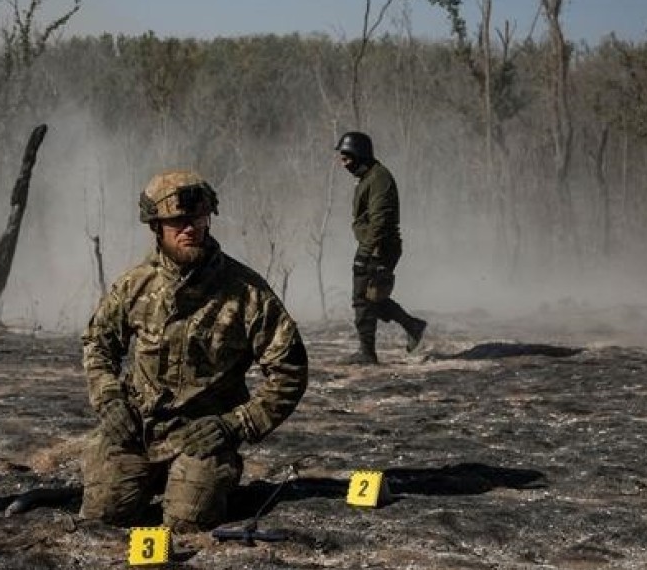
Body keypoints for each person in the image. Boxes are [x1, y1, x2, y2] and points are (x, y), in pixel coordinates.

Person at [80, 170, 309, 533]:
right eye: (178, 222)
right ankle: (151, 478)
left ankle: (205, 483)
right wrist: (109, 399)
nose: (191, 229)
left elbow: (289, 371)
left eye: (198, 220)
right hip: (139, 430)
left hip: (203, 438)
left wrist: (234, 426)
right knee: (103, 516)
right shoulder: (134, 286)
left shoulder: (247, 292)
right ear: (156, 227)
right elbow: (98, 344)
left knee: (187, 523)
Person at [336, 132, 427, 364]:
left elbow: (380, 222)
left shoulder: (379, 179)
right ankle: (412, 325)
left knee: (363, 299)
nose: (343, 163)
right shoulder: (368, 177)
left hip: (379, 248)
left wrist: (364, 254)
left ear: (359, 154)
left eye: (346, 158)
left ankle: (367, 353)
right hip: (374, 246)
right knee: (372, 299)